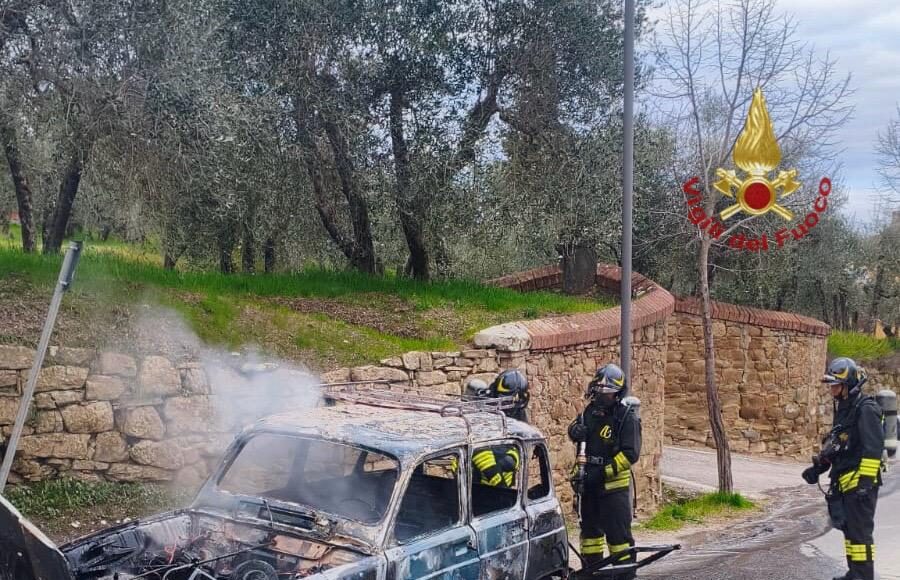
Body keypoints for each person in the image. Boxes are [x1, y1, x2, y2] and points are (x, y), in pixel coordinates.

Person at [802, 357, 883, 580]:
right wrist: (817, 469)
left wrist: (865, 485)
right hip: (847, 482)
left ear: (848, 384)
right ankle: (854, 574)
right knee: (850, 533)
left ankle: (863, 577)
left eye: (835, 385)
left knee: (861, 535)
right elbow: (839, 446)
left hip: (861, 484)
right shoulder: (845, 409)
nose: (832, 390)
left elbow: (873, 449)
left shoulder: (866, 409)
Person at [568, 363, 641, 577]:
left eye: (608, 393)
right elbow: (578, 431)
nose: (602, 396)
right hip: (589, 485)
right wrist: (574, 431)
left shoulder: (626, 417)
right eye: (599, 391)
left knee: (618, 538)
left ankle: (625, 575)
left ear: (617, 393)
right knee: (590, 536)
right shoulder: (590, 411)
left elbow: (630, 454)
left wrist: (602, 472)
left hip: (613, 490)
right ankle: (592, 572)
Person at [465, 369, 530, 488]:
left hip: (503, 474)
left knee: (508, 462)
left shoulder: (519, 412)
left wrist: (510, 459)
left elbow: (522, 443)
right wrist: (493, 473)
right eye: (507, 399)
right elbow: (472, 441)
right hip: (476, 474)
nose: (510, 404)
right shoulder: (483, 407)